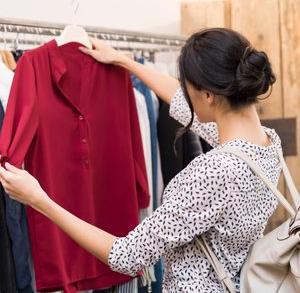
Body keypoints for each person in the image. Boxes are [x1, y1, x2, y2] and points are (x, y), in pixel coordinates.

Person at [0, 28, 281, 293]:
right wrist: (123, 61)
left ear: (209, 96)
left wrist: (39, 200)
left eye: (187, 86)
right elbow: (180, 101)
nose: (182, 92)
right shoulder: (266, 143)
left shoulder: (214, 172)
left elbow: (127, 256)